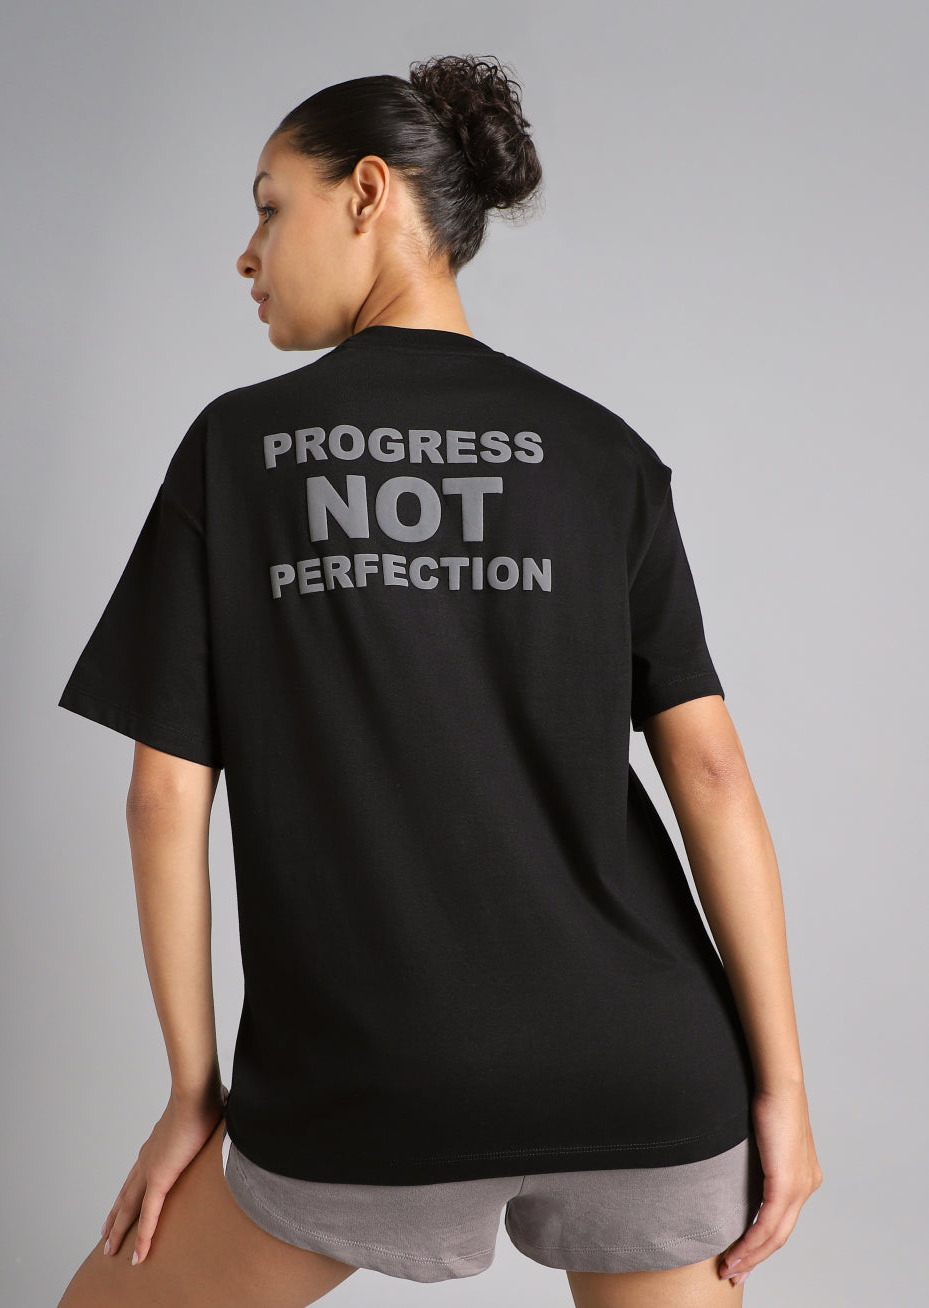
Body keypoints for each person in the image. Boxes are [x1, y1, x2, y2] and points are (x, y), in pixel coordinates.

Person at [55, 53, 822, 1308]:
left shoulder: (238, 451)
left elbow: (163, 799)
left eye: (270, 207)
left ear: (367, 192)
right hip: (643, 1067)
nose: (248, 254)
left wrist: (194, 1092)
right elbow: (714, 773)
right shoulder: (602, 451)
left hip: (372, 1075)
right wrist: (780, 1087)